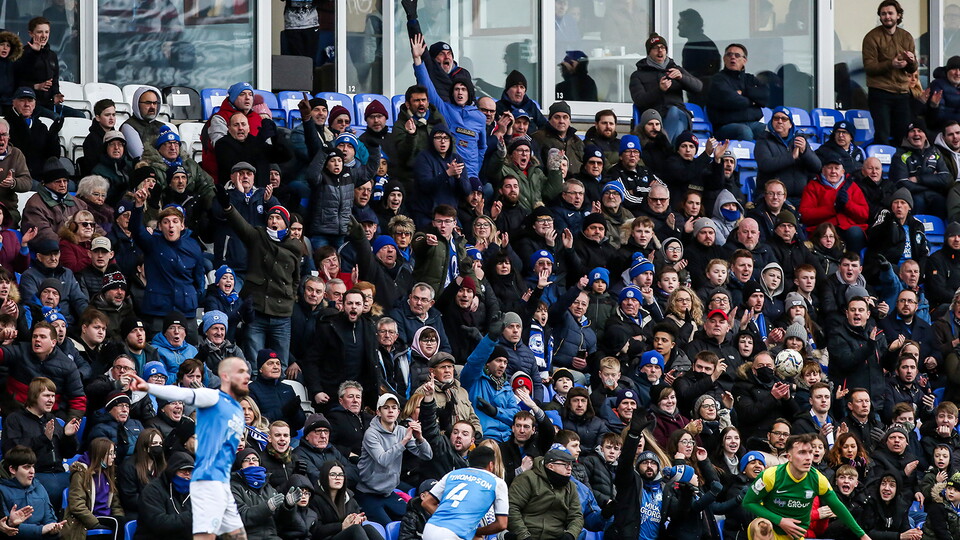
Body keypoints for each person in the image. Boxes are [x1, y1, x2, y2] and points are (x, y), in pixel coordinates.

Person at [128, 356, 252, 539]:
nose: (247, 377)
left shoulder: (235, 410)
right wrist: (149, 387)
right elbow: (181, 394)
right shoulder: (213, 397)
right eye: (240, 372)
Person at [742, 433, 870, 540]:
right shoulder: (771, 475)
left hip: (795, 535)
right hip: (772, 531)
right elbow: (748, 502)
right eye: (802, 453)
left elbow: (838, 507)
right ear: (789, 457)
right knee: (761, 526)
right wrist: (780, 520)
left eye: (810, 452)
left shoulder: (818, 479)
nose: (808, 457)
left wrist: (862, 535)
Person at [1, 377, 80, 510]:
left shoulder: (52, 419)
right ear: (34, 396)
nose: (51, 400)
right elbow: (12, 454)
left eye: (53, 396)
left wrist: (68, 436)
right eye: (46, 395)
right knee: (53, 490)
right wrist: (43, 439)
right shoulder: (15, 420)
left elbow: (69, 453)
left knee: (81, 486)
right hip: (35, 475)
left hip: (59, 473)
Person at [356, 393, 433, 525]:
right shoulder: (371, 434)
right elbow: (383, 460)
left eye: (394, 407)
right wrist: (404, 442)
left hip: (388, 492)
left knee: (415, 522)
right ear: (378, 412)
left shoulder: (402, 431)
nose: (390, 410)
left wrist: (420, 438)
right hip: (368, 493)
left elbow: (427, 455)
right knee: (387, 527)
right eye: (386, 408)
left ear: (398, 412)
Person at [421, 445, 509, 540]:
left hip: (430, 529)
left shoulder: (451, 474)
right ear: (491, 465)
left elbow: (426, 502)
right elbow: (502, 524)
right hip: (455, 534)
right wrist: (474, 531)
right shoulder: (497, 482)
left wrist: (446, 519)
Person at [862, 0, 918, 146]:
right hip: (880, 92)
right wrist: (891, 64)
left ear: (898, 15)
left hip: (902, 93)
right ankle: (881, 166)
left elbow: (912, 69)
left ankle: (899, 166)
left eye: (890, 13)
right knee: (882, 134)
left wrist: (911, 62)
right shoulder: (871, 37)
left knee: (903, 134)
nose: (887, 17)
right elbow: (869, 67)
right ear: (880, 17)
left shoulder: (906, 37)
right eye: (883, 14)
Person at [629, 33, 701, 143]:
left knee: (675, 112)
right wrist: (659, 90)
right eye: (655, 48)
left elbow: (698, 87)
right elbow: (639, 100)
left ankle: (665, 147)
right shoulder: (638, 75)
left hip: (679, 113)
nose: (660, 51)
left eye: (662, 47)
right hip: (654, 118)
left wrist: (682, 77)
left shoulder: (676, 69)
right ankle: (672, 151)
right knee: (678, 121)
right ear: (649, 52)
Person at [508, 447, 584, 540]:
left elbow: (576, 516)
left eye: (571, 465)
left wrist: (570, 535)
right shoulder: (527, 479)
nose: (569, 468)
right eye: (565, 465)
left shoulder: (571, 486)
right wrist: (523, 535)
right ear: (551, 466)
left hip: (557, 536)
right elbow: (512, 508)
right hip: (528, 534)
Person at [63, 437, 126, 540]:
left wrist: (120, 516)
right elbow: (76, 505)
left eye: (114, 453)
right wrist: (95, 523)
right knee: (117, 522)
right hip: (89, 519)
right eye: (110, 453)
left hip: (106, 517)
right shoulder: (81, 473)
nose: (114, 456)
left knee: (124, 520)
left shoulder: (108, 474)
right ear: (100, 455)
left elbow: (115, 505)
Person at [706, 43, 769, 141]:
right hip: (726, 126)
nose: (732, 57)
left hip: (753, 123)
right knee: (744, 131)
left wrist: (743, 92)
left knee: (770, 130)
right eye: (729, 55)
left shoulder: (750, 79)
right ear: (724, 59)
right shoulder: (718, 79)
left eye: (737, 55)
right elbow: (731, 99)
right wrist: (752, 101)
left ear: (744, 60)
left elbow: (765, 96)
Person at [0, 445, 66, 536]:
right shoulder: (2, 490)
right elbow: (7, 528)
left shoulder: (39, 487)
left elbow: (49, 518)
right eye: (26, 467)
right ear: (12, 469)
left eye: (32, 466)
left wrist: (53, 528)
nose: (32, 471)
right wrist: (41, 530)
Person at [890, 118, 951, 215]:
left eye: (920, 131)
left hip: (934, 195)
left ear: (926, 136)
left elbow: (946, 178)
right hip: (912, 195)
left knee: (941, 201)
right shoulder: (899, 155)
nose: (916, 134)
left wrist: (918, 179)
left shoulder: (935, 152)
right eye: (912, 131)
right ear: (907, 137)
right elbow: (902, 183)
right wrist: (932, 181)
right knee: (917, 202)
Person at [135, 451, 194, 539]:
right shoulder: (152, 490)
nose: (187, 476)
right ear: (172, 471)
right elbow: (159, 524)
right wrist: (193, 516)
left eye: (190, 471)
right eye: (183, 471)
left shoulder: (192, 491)